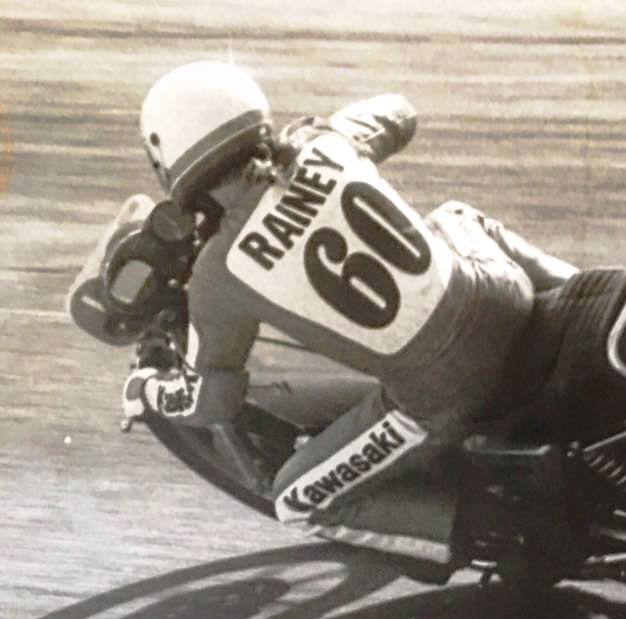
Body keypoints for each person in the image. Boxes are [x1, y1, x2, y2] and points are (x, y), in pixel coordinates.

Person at [120, 61, 579, 579]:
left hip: (449, 395)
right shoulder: (323, 143)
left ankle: (485, 532)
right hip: (505, 294)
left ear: (170, 161)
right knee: (453, 217)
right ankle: (585, 288)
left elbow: (212, 401)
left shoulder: (217, 272)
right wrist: (315, 132)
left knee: (296, 500)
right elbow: (400, 113)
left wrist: (145, 390)